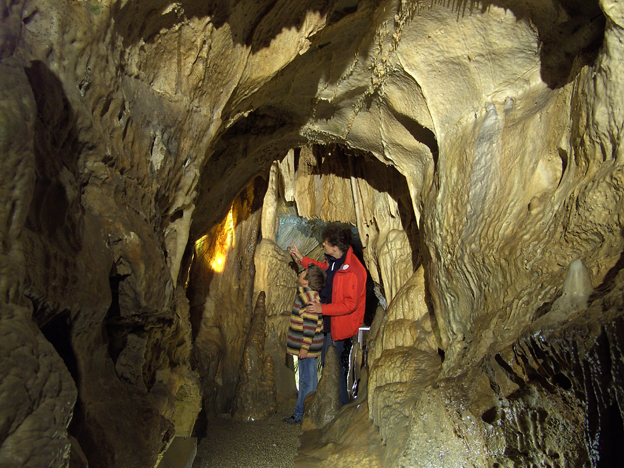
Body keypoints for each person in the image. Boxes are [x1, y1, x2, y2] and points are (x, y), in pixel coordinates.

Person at [289, 224, 367, 406]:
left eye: (326, 242)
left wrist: (321, 309)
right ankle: (330, 407)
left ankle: (339, 409)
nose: (323, 244)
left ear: (335, 246)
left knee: (333, 367)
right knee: (327, 364)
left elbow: (349, 304)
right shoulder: (335, 261)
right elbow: (323, 268)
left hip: (339, 326)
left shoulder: (354, 270)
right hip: (328, 321)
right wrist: (302, 259)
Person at [283, 264, 326, 424]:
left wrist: (304, 347)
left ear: (306, 281)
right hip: (310, 348)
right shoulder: (311, 297)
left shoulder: (306, 299)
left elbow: (310, 326)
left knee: (306, 381)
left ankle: (301, 414)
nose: (301, 273)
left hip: (307, 348)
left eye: (304, 273)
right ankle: (309, 411)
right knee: (309, 379)